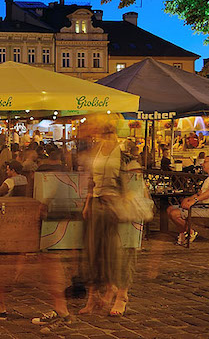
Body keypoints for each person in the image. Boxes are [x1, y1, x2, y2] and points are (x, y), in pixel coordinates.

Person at [80, 117, 135, 317]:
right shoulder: (96, 151)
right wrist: (87, 203)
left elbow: (129, 183)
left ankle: (119, 293)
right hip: (96, 203)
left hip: (114, 205)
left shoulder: (123, 154)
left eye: (108, 134)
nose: (105, 138)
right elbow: (92, 181)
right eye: (103, 135)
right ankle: (93, 297)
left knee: (113, 253)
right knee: (93, 252)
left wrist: (122, 203)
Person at [168, 155, 209, 245]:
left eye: (205, 162)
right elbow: (201, 193)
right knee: (170, 209)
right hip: (203, 206)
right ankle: (184, 234)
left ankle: (190, 233)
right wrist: (188, 199)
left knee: (174, 213)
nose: (202, 164)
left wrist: (194, 200)